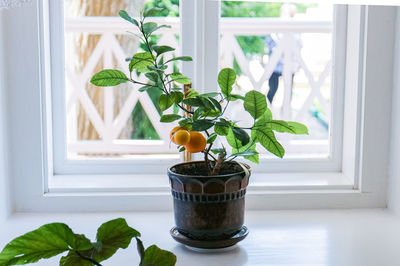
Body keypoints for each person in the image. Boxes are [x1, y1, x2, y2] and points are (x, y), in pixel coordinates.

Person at [265, 4, 302, 103]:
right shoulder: (276, 26)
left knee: (288, 91)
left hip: (289, 64)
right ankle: (266, 111)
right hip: (276, 64)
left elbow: (298, 46)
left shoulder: (295, 28)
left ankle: (285, 113)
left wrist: (298, 63)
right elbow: (269, 43)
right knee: (272, 89)